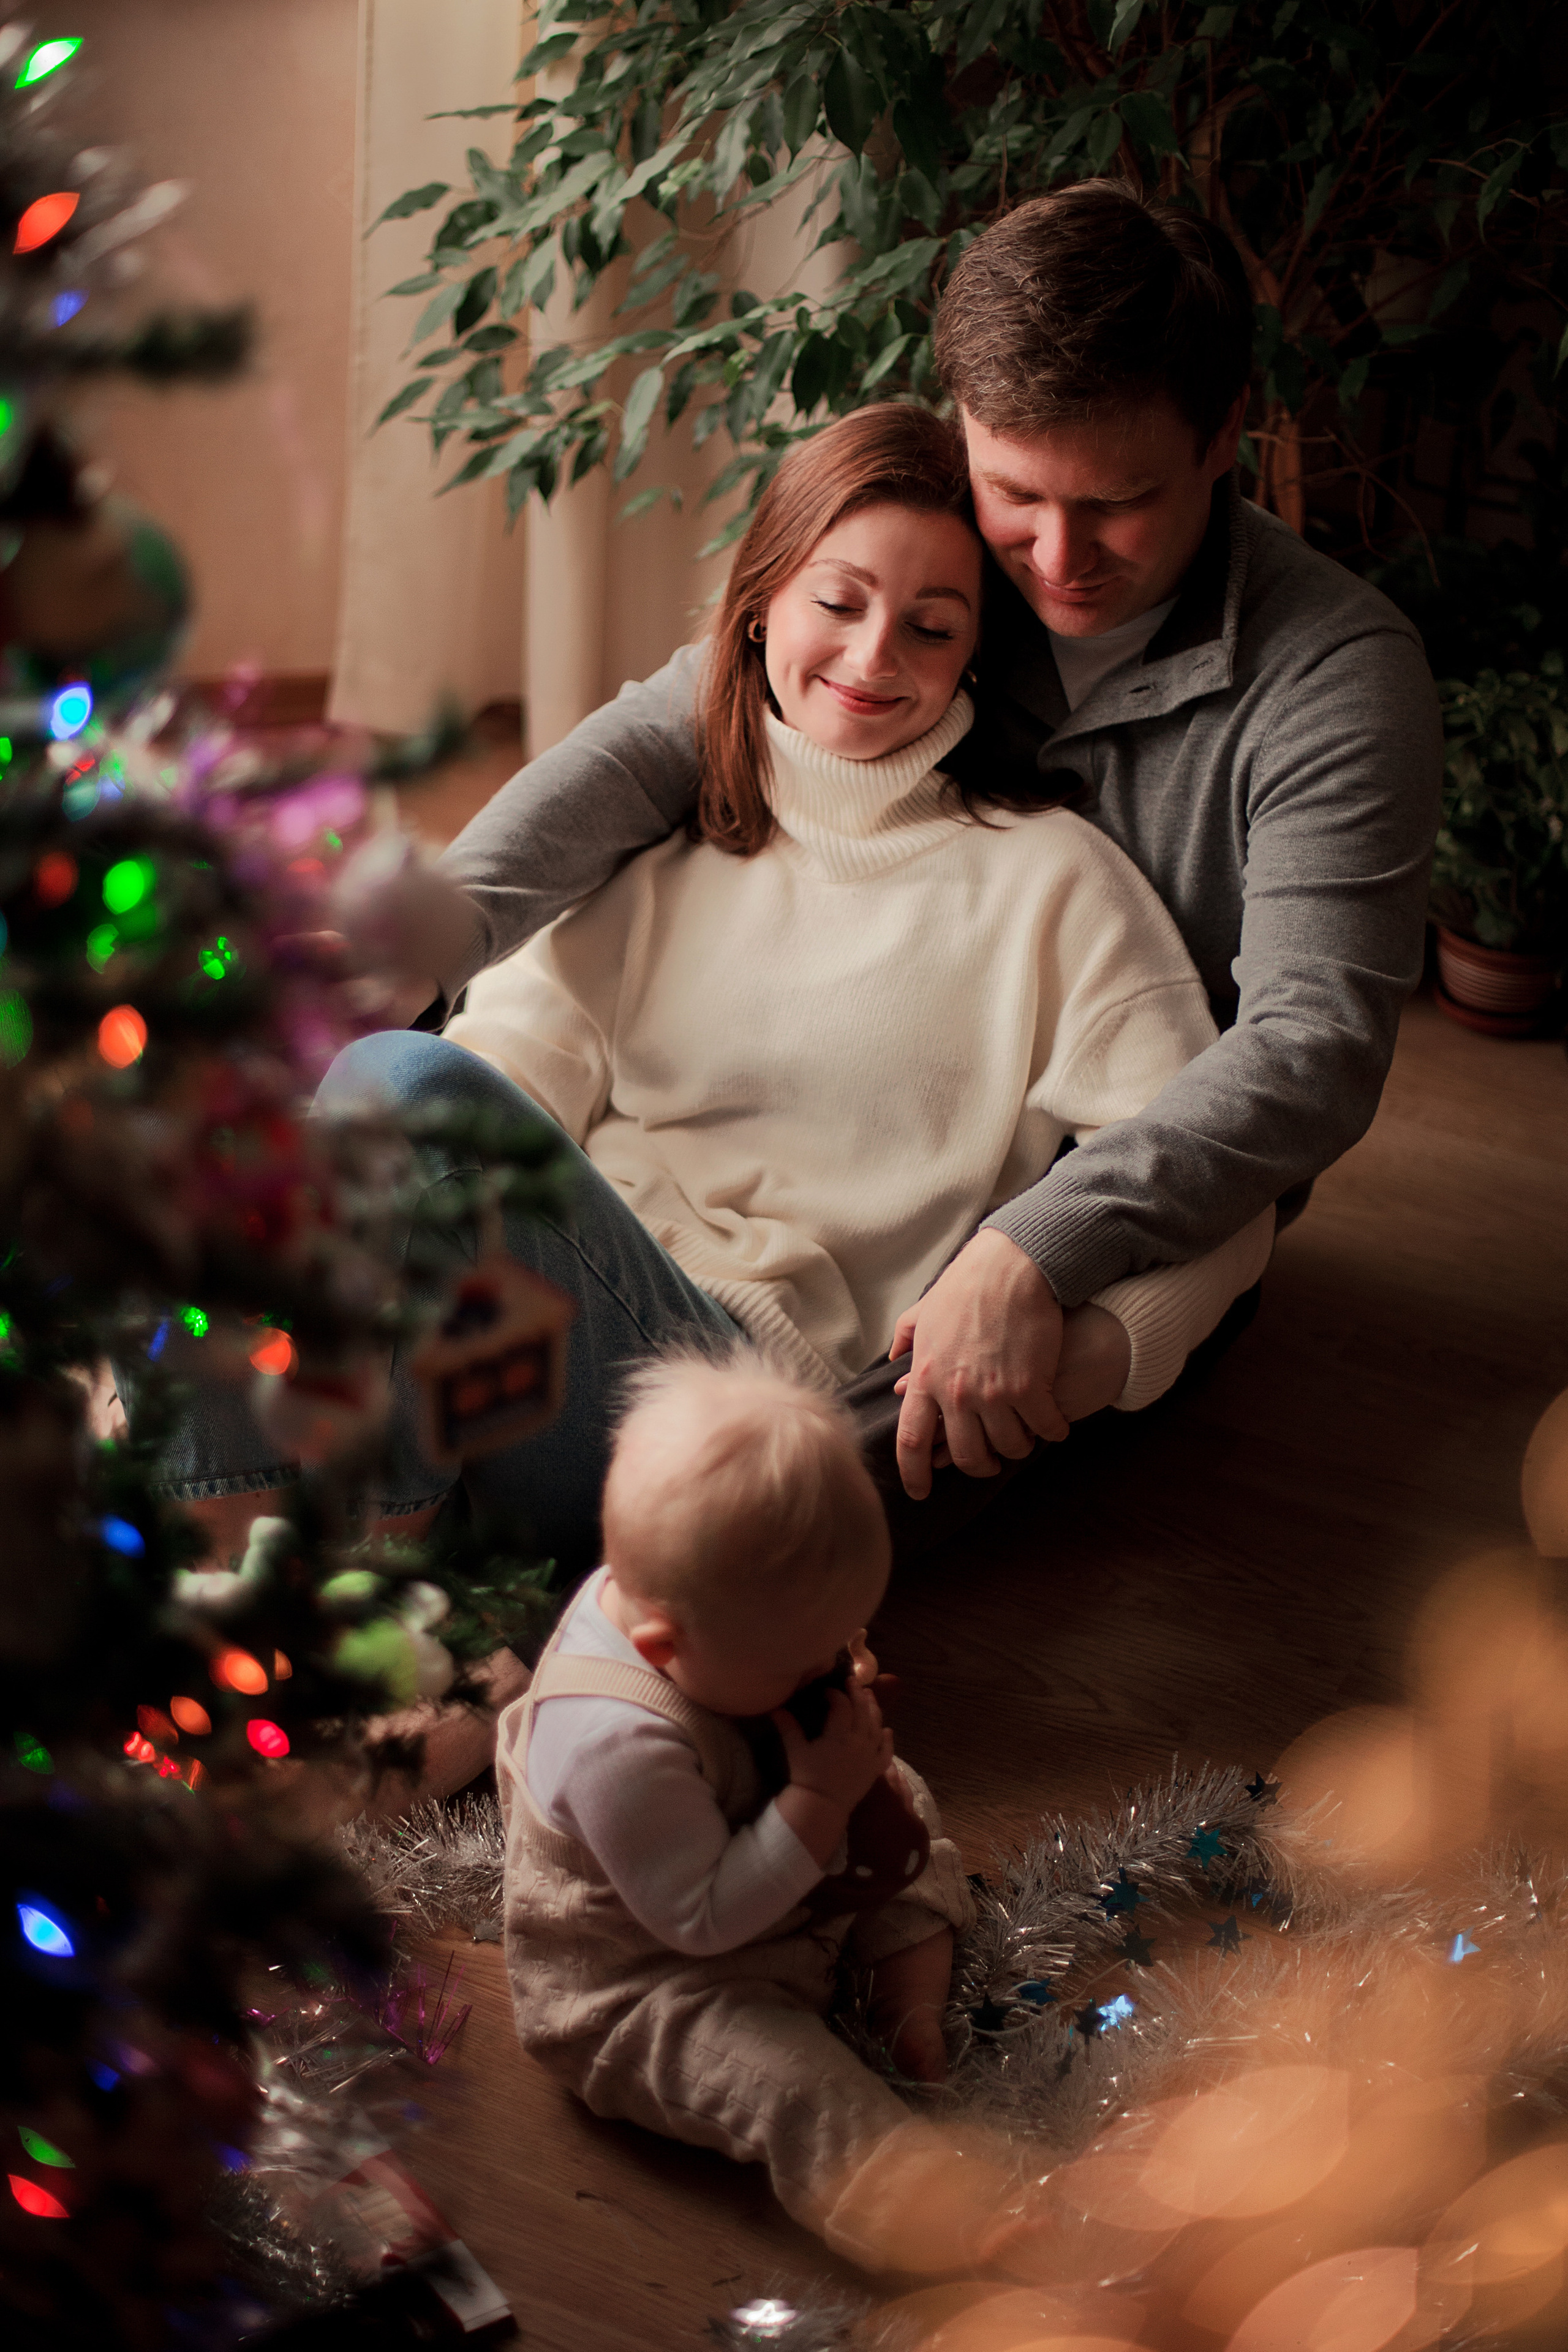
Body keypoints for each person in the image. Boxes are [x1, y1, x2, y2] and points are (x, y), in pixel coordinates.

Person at [413, 176, 1442, 1512]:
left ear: (1222, 437)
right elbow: (673, 725)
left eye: (1117, 504)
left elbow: (1308, 1048)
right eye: (1015, 492)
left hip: (1132, 1225)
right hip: (827, 1185)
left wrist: (1038, 1246)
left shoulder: (1337, 681)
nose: (1057, 559)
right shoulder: (940, 571)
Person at [497, 1346, 1017, 2271]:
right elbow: (699, 1920)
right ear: (660, 1648)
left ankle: (909, 1997)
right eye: (806, 1661)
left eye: (843, 1643)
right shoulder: (615, 1745)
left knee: (906, 1805)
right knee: (784, 2083)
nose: (833, 1668)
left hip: (754, 1848)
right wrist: (818, 1796)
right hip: (653, 1976)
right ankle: (924, 2205)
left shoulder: (700, 1616)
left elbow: (803, 1724)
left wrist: (843, 1768)